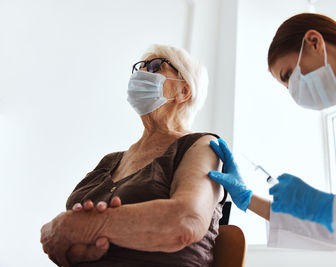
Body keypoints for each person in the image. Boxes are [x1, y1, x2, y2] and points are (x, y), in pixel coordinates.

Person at [208, 13, 336, 264]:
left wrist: (320, 205)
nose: (295, 93)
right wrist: (247, 198)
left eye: (288, 75)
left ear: (314, 42)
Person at [40, 44, 226, 267]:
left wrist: (84, 226)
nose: (141, 73)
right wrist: (77, 250)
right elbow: (65, 241)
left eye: (156, 66)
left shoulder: (202, 145)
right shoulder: (110, 161)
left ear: (184, 91)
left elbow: (186, 221)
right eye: (139, 68)